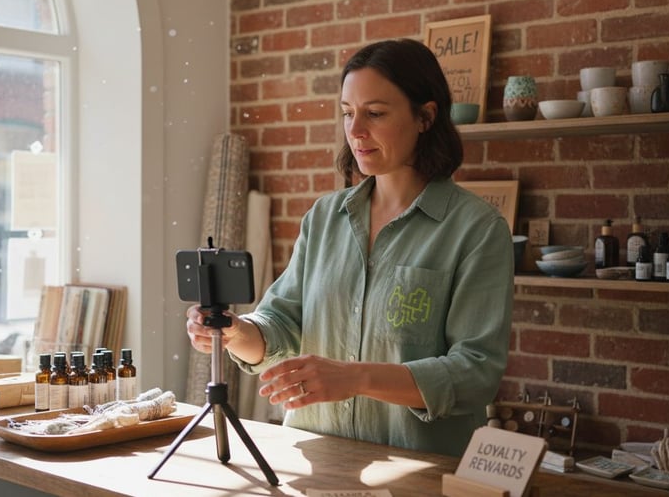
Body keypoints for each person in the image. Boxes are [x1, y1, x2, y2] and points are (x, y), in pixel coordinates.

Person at [185, 38, 513, 456]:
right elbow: (281, 325)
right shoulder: (324, 218)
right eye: (347, 112)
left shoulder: (477, 230)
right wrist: (235, 332)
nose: (355, 130)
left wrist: (357, 378)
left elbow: (475, 373)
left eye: (374, 113)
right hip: (316, 462)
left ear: (425, 117)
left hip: (418, 471)